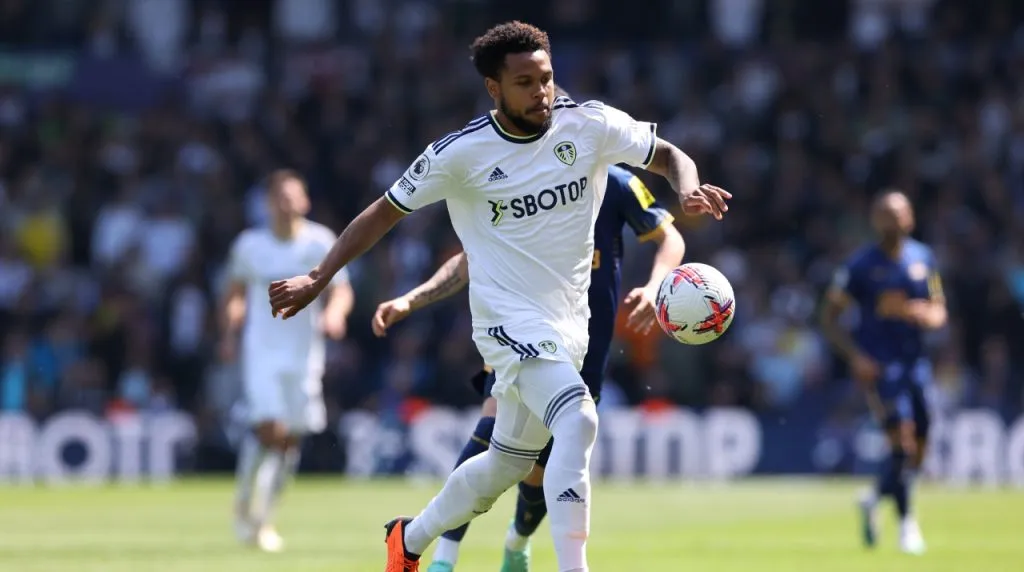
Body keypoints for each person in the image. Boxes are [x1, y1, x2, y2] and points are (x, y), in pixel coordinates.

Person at [266, 21, 729, 572]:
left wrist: (688, 186)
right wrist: (319, 278)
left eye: (547, 78)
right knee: (578, 419)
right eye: (525, 82)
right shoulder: (460, 154)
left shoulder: (588, 125)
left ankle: (408, 539)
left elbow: (668, 153)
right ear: (494, 88)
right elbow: (382, 213)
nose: (542, 92)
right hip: (506, 322)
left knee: (506, 463)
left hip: (568, 325)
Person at [372, 156, 686, 572]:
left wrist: (654, 285)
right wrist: (413, 298)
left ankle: (415, 540)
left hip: (583, 346)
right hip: (520, 334)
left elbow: (671, 237)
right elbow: (471, 258)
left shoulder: (617, 183)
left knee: (515, 466)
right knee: (572, 421)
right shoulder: (523, 179)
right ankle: (447, 559)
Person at [220, 170, 354, 552]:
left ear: (305, 201)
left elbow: (342, 290)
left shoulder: (319, 241)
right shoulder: (250, 245)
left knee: (291, 440)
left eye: (293, 196)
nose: (286, 203)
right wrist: (230, 331)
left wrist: (335, 315)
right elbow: (233, 294)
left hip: (304, 354)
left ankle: (263, 514)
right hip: (261, 352)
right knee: (271, 430)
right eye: (279, 196)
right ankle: (249, 507)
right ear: (267, 203)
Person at [821, 190, 947, 555]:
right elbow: (829, 317)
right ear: (875, 220)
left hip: (917, 365)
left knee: (918, 449)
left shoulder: (923, 258)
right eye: (885, 214)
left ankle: (874, 498)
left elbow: (940, 310)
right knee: (902, 443)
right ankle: (908, 525)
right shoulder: (860, 266)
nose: (893, 220)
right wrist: (856, 357)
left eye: (899, 213)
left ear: (910, 218)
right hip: (881, 367)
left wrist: (923, 314)